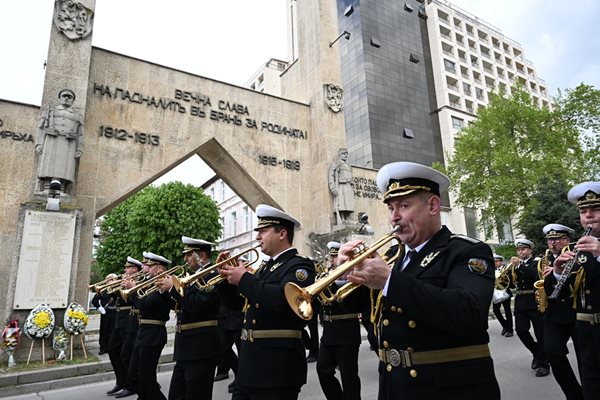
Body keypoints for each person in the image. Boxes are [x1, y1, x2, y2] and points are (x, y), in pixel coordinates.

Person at [338, 161, 500, 399]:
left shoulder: (465, 250)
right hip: (394, 385)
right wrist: (344, 275)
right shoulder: (393, 256)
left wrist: (390, 281)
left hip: (447, 389)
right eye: (391, 208)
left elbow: (468, 312)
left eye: (404, 205)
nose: (395, 217)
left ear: (433, 205)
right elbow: (356, 306)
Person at [219, 204, 316, 400]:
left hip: (277, 368)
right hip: (250, 364)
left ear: (282, 234)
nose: (257, 237)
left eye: (263, 231)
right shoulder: (265, 268)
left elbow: (282, 299)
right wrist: (227, 279)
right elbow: (237, 306)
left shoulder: (300, 265)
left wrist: (244, 280)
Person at [156, 237, 221, 400]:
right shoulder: (192, 278)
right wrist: (165, 291)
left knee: (196, 395)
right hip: (185, 347)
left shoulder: (211, 276)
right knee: (177, 396)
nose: (185, 259)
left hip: (201, 347)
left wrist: (173, 288)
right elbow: (179, 306)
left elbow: (199, 305)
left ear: (202, 256)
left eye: (189, 254)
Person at [553, 181, 600, 400]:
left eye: (595, 209)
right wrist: (557, 272)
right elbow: (565, 295)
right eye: (583, 211)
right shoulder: (575, 250)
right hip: (586, 331)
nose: (588, 215)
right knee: (591, 386)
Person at [540, 223, 583, 400]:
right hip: (554, 314)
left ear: (567, 239)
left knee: (585, 358)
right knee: (552, 351)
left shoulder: (578, 252)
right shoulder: (545, 259)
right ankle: (574, 394)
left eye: (557, 239)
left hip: (576, 311)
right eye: (550, 239)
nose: (552, 243)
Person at [316, 241, 364, 400]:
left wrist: (338, 279)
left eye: (335, 257)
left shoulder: (352, 273)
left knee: (349, 376)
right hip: (329, 331)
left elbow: (353, 303)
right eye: (331, 257)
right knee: (323, 370)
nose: (332, 260)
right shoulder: (327, 273)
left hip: (346, 331)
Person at [129, 252, 172, 400]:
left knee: (146, 378)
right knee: (134, 376)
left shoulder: (163, 285)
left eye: (149, 265)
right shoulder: (150, 283)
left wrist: (133, 290)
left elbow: (144, 304)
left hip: (154, 333)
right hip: (143, 332)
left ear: (159, 267)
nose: (145, 268)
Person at [510, 238, 550, 377]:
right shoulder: (515, 266)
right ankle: (537, 353)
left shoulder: (537, 263)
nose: (521, 252)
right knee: (520, 330)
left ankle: (544, 364)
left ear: (530, 250)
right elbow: (510, 284)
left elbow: (536, 277)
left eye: (524, 249)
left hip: (535, 301)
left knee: (540, 333)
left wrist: (521, 265)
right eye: (519, 250)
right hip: (520, 302)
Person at [106, 256, 142, 397]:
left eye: (128, 267)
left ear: (135, 269)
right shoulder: (126, 280)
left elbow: (129, 299)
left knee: (126, 354)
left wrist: (122, 287)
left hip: (130, 318)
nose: (125, 270)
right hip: (119, 319)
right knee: (112, 349)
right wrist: (113, 287)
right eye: (126, 267)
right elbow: (116, 299)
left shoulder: (137, 281)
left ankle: (130, 384)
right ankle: (120, 381)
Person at [36, 88, 84, 192]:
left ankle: (61, 188)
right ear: (60, 98)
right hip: (51, 141)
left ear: (72, 100)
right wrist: (39, 143)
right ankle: (46, 187)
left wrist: (79, 149)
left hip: (68, 143)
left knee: (65, 166)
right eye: (64, 96)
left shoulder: (77, 115)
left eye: (69, 97)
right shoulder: (50, 111)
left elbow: (80, 134)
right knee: (49, 163)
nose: (66, 98)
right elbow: (41, 127)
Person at [91, 273, 117, 355]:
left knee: (113, 331)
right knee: (104, 330)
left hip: (116, 312)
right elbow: (94, 301)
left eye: (111, 279)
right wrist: (99, 307)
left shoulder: (118, 289)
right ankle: (103, 347)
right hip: (106, 312)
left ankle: (111, 347)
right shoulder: (102, 290)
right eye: (108, 279)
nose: (109, 281)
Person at [328, 148, 354, 225]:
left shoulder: (348, 166)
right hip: (341, 186)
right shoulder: (336, 164)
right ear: (339, 155)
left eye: (346, 154)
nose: (345, 156)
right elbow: (331, 175)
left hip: (348, 185)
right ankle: (342, 218)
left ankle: (347, 218)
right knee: (342, 202)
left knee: (348, 202)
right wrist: (332, 187)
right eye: (343, 154)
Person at [492, 254, 513, 337]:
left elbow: (510, 281)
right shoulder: (493, 270)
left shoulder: (507, 269)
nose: (495, 263)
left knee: (507, 311)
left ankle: (510, 330)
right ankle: (505, 325)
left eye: (497, 261)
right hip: (496, 293)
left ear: (501, 261)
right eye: (494, 261)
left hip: (505, 292)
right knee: (495, 310)